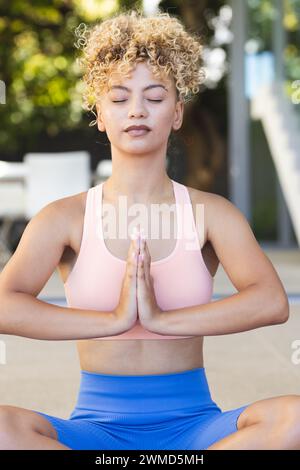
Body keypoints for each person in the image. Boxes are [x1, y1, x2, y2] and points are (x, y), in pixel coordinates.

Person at [0, 8, 299, 451]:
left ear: (177, 113)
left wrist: (161, 320)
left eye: (155, 98)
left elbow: (272, 302)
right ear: (99, 114)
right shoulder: (63, 218)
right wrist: (113, 321)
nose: (136, 110)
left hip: (197, 430)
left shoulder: (212, 213)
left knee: (294, 418)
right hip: (94, 431)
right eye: (119, 98)